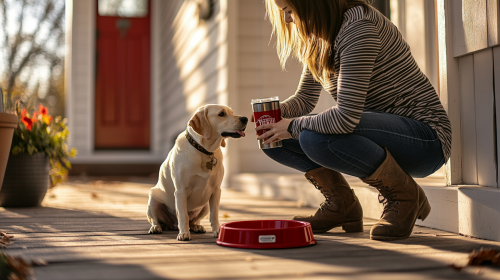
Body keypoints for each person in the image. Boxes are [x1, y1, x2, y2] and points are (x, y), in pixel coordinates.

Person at [254, 0, 451, 241]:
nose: (286, 20)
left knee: (313, 137)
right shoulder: (320, 37)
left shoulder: (359, 26)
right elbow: (304, 100)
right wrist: (271, 115)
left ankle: (405, 196)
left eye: (289, 11)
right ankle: (342, 205)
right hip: (377, 132)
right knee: (273, 140)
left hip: (425, 139)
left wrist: (293, 126)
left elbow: (345, 118)